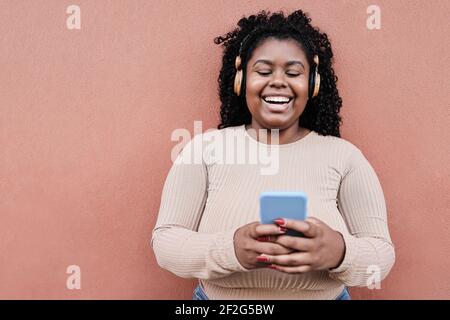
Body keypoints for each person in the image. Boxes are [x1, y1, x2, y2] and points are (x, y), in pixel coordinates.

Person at [151, 9, 395, 300]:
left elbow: (382, 255)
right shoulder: (203, 150)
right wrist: (229, 250)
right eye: (264, 71)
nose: (278, 81)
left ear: (313, 84)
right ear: (241, 79)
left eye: (293, 72)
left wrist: (340, 252)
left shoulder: (345, 157)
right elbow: (166, 242)